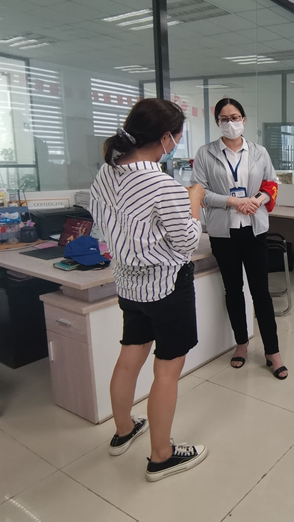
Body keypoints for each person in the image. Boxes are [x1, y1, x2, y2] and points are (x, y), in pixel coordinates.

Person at [90, 98, 208, 481]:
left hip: (128, 285)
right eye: (178, 137)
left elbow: (106, 227)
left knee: (130, 355)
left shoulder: (105, 174)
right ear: (166, 138)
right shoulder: (162, 185)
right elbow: (187, 241)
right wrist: (194, 200)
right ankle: (161, 455)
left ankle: (124, 430)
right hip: (168, 286)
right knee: (167, 370)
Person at [191, 98, 286, 379]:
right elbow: (199, 192)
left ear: (243, 120)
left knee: (261, 292)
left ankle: (272, 351)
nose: (230, 123)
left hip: (255, 229)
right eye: (224, 118)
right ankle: (241, 343)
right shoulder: (205, 153)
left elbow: (271, 183)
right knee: (233, 290)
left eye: (234, 117)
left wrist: (256, 200)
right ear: (217, 122)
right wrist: (233, 201)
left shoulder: (259, 152)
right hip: (224, 232)